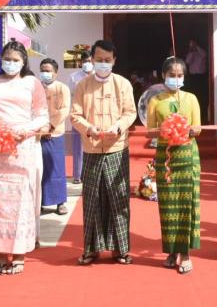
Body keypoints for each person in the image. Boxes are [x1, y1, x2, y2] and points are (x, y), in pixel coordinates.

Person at [0, 41, 50, 275]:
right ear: (1, 60)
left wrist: (24, 131)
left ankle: (19, 254)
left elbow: (42, 116)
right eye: (7, 59)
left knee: (21, 200)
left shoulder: (32, 83)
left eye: (15, 60)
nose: (10, 63)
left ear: (23, 61)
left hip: (22, 147)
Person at [71, 40, 137, 265]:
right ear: (91, 59)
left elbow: (130, 112)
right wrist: (89, 128)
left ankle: (121, 249)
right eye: (99, 59)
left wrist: (118, 127)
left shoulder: (123, 84)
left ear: (114, 60)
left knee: (118, 198)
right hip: (91, 148)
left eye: (107, 60)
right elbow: (75, 115)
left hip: (116, 148)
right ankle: (91, 249)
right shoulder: (83, 85)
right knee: (92, 199)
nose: (103, 63)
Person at [146, 57, 203, 275]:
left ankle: (185, 253)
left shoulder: (191, 98)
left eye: (180, 75)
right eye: (172, 75)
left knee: (187, 203)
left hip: (187, 156)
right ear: (163, 76)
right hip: (166, 157)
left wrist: (187, 129)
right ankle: (171, 251)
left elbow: (198, 128)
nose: (176, 79)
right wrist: (166, 129)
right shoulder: (155, 100)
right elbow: (150, 131)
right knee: (168, 205)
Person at [40, 57, 70, 216]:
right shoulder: (36, 88)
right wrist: (40, 128)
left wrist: (50, 127)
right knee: (40, 168)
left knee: (56, 168)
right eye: (42, 70)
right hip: (38, 133)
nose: (45, 73)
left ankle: (60, 202)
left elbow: (64, 110)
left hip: (55, 133)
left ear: (56, 73)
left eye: (48, 71)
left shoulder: (62, 88)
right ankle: (40, 202)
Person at [68, 50, 93, 184]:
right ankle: (77, 175)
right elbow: (70, 94)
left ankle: (91, 174)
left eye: (89, 61)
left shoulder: (97, 75)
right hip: (78, 113)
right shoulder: (74, 77)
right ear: (80, 62)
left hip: (93, 114)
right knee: (78, 146)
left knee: (93, 144)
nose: (87, 63)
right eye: (85, 61)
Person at [185, 39, 208, 123]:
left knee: (202, 98)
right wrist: (191, 51)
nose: (192, 45)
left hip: (201, 78)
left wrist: (196, 46)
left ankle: (203, 117)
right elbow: (187, 61)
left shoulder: (201, 52)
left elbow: (204, 55)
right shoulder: (191, 53)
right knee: (193, 96)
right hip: (193, 78)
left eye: (193, 44)